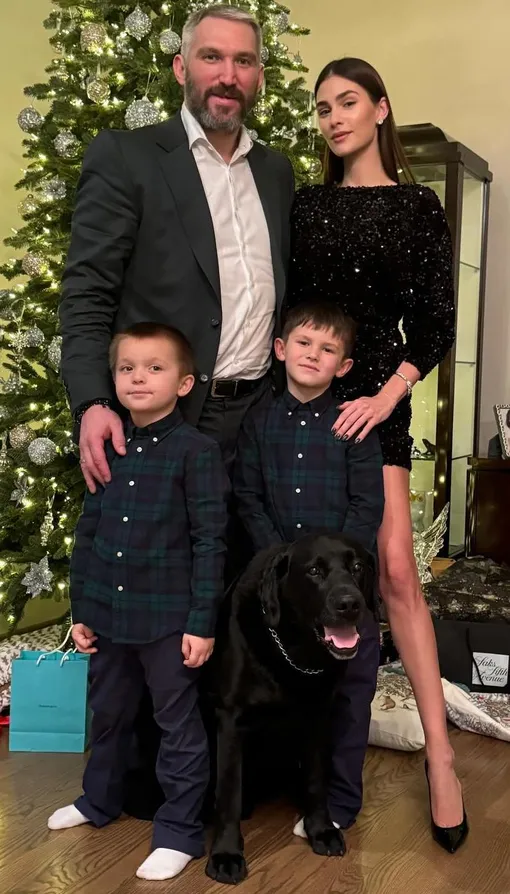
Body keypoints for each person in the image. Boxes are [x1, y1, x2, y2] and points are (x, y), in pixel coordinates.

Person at [287, 57, 468, 853]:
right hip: (306, 400)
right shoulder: (305, 204)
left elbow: (434, 322)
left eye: (348, 101)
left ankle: (441, 757)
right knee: (299, 567)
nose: (333, 117)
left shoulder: (418, 206)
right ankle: (306, 761)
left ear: (381, 109)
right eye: (322, 106)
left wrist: (390, 395)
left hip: (378, 404)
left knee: (394, 572)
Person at [59, 4, 294, 482]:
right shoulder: (128, 157)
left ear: (259, 77)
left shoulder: (276, 171)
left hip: (263, 419)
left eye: (244, 61)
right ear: (181, 68)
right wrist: (92, 402)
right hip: (166, 420)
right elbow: (88, 291)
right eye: (212, 57)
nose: (228, 76)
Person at [47, 323, 230, 882]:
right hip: (109, 617)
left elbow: (210, 542)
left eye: (154, 368)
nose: (138, 378)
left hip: (168, 622)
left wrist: (201, 623)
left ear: (184, 383)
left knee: (177, 726)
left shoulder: (197, 453)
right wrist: (83, 611)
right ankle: (98, 800)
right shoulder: (108, 448)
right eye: (127, 368)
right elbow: (88, 533)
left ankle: (179, 832)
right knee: (107, 714)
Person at [234, 301, 384, 831]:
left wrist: (343, 572)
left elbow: (366, 506)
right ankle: (280, 786)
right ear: (280, 349)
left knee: (351, 694)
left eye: (327, 349)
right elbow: (247, 495)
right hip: (287, 590)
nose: (313, 355)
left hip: (345, 591)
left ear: (343, 366)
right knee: (286, 691)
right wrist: (281, 565)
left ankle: (339, 803)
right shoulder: (258, 420)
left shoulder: (354, 424)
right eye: (303, 343)